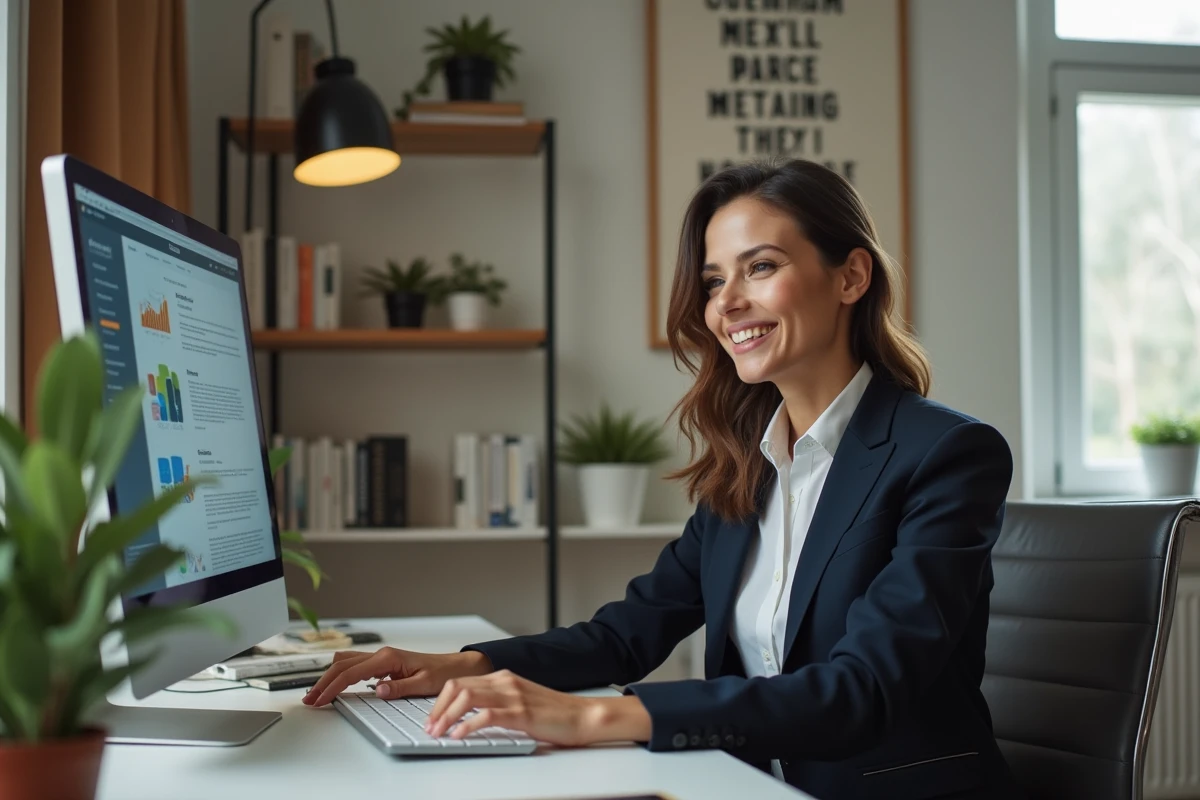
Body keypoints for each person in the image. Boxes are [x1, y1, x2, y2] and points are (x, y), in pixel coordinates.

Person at [305, 159, 1023, 800]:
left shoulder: (947, 454)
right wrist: (459, 666)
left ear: (851, 277)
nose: (726, 303)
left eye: (760, 267)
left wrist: (592, 716)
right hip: (739, 783)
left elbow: (861, 691)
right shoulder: (748, 463)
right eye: (714, 281)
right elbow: (625, 636)